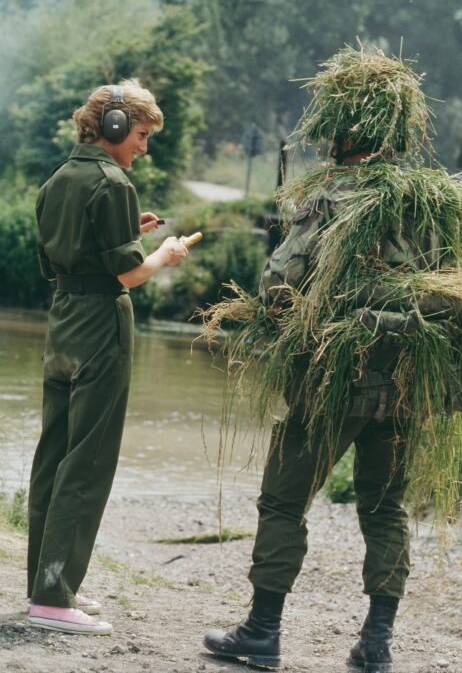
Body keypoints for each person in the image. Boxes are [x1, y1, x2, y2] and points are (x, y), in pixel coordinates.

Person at [203, 46, 462, 672]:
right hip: (408, 382)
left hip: (334, 381)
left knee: (285, 502)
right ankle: (376, 646)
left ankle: (263, 633)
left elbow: (278, 287)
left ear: (342, 136)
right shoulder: (436, 203)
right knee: (384, 507)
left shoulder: (332, 200)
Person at [28, 80, 188, 635]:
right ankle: (53, 600)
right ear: (116, 128)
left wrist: (127, 232)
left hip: (62, 324)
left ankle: (47, 587)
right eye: (142, 135)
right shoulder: (114, 182)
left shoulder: (56, 181)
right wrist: (163, 254)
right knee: (88, 460)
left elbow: (60, 262)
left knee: (53, 455)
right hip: (101, 326)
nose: (144, 147)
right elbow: (127, 274)